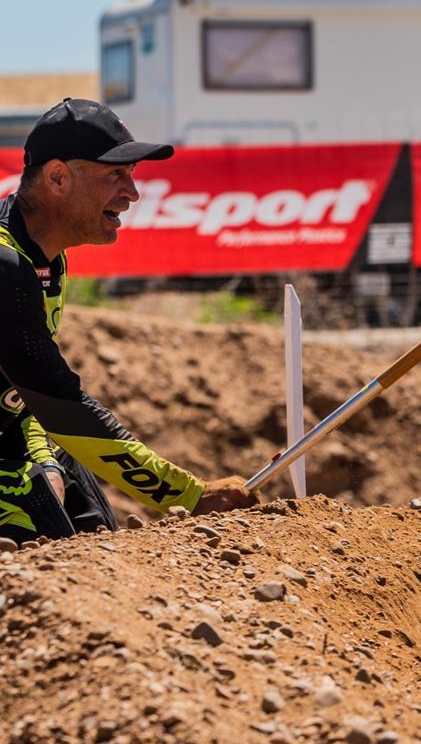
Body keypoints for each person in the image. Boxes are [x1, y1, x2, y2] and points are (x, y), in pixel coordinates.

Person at [0, 98, 258, 545]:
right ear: (57, 177)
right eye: (114, 175)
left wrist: (43, 456)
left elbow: (26, 396)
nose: (132, 193)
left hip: (14, 429)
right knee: (53, 553)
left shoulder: (42, 252)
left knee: (96, 534)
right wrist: (189, 494)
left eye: (132, 175)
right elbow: (59, 401)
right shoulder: (5, 263)